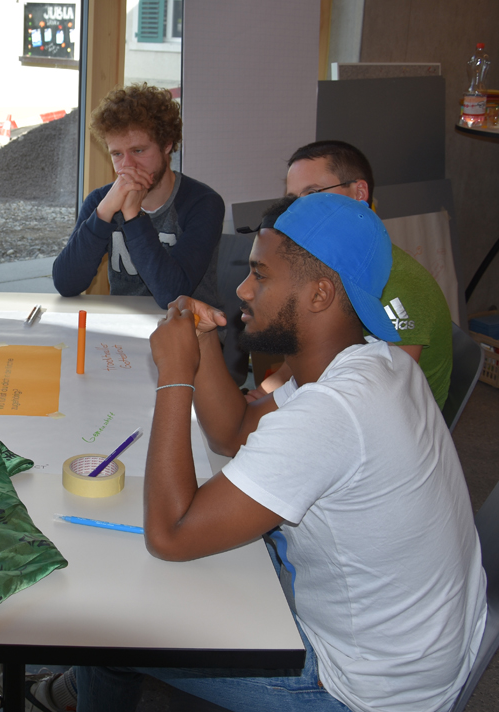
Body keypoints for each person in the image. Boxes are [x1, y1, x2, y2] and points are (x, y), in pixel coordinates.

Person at [36, 194, 487, 712]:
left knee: (111, 627)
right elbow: (235, 432)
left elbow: (171, 533)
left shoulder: (335, 413)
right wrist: (202, 345)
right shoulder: (376, 363)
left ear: (320, 295)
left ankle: (77, 689)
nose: (242, 290)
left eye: (261, 276)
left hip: (364, 691)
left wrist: (175, 379)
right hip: (423, 653)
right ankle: (78, 691)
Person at [246, 140, 452, 409]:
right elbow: (310, 352)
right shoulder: (327, 265)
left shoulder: (401, 285)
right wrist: (259, 395)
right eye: (292, 200)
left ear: (359, 192)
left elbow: (384, 391)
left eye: (312, 194)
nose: (299, 211)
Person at [52, 83, 224, 309]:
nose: (127, 166)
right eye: (117, 154)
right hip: (124, 331)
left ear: (166, 144)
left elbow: (171, 295)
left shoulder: (202, 203)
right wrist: (103, 214)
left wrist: (133, 217)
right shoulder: (101, 201)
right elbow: (66, 284)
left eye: (138, 151)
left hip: (189, 333)